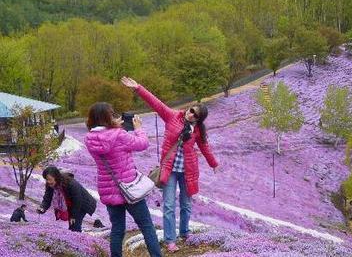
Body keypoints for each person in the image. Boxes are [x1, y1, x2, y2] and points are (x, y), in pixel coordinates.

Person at [121, 76, 219, 253]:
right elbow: (156, 103)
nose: (191, 114)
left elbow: (205, 148)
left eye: (196, 115)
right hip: (170, 169)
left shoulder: (197, 130)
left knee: (186, 205)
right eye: (191, 110)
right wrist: (137, 88)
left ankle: (184, 232)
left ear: (199, 119)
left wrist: (213, 163)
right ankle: (170, 240)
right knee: (168, 206)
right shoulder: (173, 116)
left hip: (188, 171)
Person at [84, 102, 162, 257]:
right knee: (146, 226)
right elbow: (142, 144)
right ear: (108, 117)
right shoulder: (119, 134)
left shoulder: (89, 138)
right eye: (112, 113)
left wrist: (116, 128)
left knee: (118, 229)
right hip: (130, 188)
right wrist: (138, 129)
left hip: (108, 190)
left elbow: (109, 144)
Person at [37, 166, 97, 232]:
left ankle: (77, 239)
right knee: (72, 225)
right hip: (71, 204)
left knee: (74, 225)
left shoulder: (70, 183)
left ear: (56, 177)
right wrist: (43, 207)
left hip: (82, 204)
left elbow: (77, 200)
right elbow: (47, 197)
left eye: (49, 179)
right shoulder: (51, 184)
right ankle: (74, 237)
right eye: (46, 179)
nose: (48, 181)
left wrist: (73, 216)